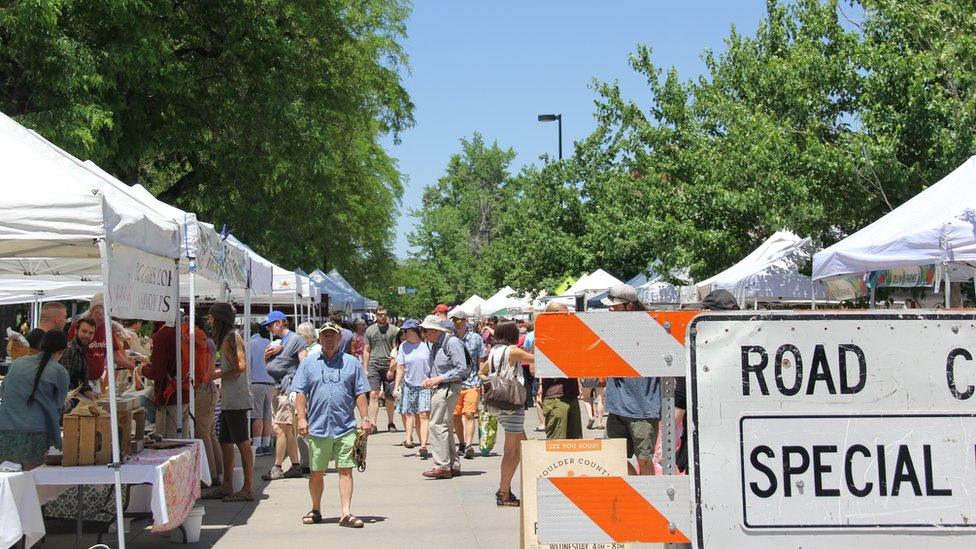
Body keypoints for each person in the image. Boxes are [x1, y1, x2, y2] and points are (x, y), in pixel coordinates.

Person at [293, 322, 371, 527]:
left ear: (340, 339)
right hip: (318, 426)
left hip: (345, 425)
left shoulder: (351, 363)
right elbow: (301, 393)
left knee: (346, 469)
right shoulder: (309, 363)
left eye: (332, 336)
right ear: (319, 339)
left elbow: (360, 393)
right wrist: (302, 418)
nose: (329, 339)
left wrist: (365, 419)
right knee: (317, 471)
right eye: (325, 336)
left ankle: (346, 512)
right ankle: (316, 508)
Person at [602, 284, 660, 475]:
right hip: (616, 406)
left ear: (629, 306)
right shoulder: (608, 329)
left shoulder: (652, 328)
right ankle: (636, 491)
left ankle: (647, 497)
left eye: (615, 305)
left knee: (644, 460)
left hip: (643, 408)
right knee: (612, 457)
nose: (610, 309)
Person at [480, 321, 536, 506]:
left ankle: (508, 490)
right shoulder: (512, 351)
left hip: (498, 404)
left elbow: (481, 372)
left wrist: (494, 381)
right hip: (512, 405)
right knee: (511, 451)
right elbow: (534, 358)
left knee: (523, 448)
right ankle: (503, 493)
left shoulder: (494, 352)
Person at [203, 302, 254, 502]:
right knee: (224, 441)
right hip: (230, 399)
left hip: (236, 400)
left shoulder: (232, 337)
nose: (209, 320)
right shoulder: (228, 337)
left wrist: (216, 374)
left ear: (219, 319)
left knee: (242, 442)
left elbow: (241, 366)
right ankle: (227, 484)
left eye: (211, 317)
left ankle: (248, 488)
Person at [0, 331, 69, 468]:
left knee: (6, 483)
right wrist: (68, 404)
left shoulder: (17, 363)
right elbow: (59, 406)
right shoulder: (59, 371)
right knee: (31, 481)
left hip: (5, 430)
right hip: (35, 435)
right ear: (62, 351)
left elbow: (4, 391)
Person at [419, 315, 468, 479]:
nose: (423, 333)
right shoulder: (435, 344)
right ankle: (452, 464)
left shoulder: (451, 343)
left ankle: (442, 465)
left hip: (446, 388)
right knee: (443, 426)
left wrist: (439, 378)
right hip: (441, 387)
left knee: (437, 425)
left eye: (425, 330)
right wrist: (432, 378)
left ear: (434, 330)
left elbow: (461, 369)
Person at [262, 310, 306, 481]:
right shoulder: (278, 342)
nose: (269, 329)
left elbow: (305, 362)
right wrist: (267, 357)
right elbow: (272, 365)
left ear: (280, 323)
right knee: (286, 430)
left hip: (288, 390)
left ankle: (277, 467)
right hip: (280, 388)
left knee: (280, 428)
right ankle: (295, 465)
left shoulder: (295, 340)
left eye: (270, 325)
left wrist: (299, 388)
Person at [67, 294, 136, 386]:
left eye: (104, 313)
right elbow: (70, 353)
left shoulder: (107, 329)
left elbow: (116, 355)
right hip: (78, 382)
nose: (101, 317)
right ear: (92, 310)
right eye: (99, 313)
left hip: (95, 381)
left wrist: (134, 368)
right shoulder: (79, 326)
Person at [536, 305, 583, 440]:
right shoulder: (543, 337)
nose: (567, 317)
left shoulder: (569, 335)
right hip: (555, 396)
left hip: (571, 394)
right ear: (552, 316)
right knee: (557, 446)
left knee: (576, 445)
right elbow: (535, 369)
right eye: (564, 315)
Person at [144, 318, 190, 438]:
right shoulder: (181, 332)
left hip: (169, 396)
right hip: (184, 392)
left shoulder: (162, 335)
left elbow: (158, 373)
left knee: (169, 445)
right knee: (183, 443)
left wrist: (142, 369)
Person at [450, 310, 486, 459]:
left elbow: (481, 360)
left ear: (466, 321)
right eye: (455, 321)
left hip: (472, 381)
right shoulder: (450, 340)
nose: (457, 323)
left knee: (469, 413)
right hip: (456, 382)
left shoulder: (476, 338)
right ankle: (462, 443)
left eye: (460, 320)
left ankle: (470, 445)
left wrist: (482, 380)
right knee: (455, 416)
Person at [391, 319, 431, 452]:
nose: (404, 333)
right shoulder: (403, 346)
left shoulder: (427, 345)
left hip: (425, 384)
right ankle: (408, 438)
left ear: (416, 331)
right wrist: (396, 386)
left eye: (407, 331)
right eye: (404, 331)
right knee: (409, 413)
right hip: (409, 384)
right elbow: (400, 367)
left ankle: (424, 445)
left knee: (423, 415)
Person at [362, 307, 399, 433]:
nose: (382, 317)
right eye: (380, 315)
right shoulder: (370, 330)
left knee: (389, 396)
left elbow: (396, 350)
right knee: (373, 394)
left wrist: (392, 367)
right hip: (374, 364)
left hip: (389, 364)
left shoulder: (393, 330)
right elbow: (366, 350)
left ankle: (391, 422)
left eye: (384, 314)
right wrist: (365, 368)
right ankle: (373, 423)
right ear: (376, 316)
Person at [249, 322, 275, 456]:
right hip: (270, 382)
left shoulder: (250, 344)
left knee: (257, 415)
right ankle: (266, 444)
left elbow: (248, 366)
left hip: (256, 383)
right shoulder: (269, 343)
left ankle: (257, 445)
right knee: (267, 415)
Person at [61, 316, 96, 398]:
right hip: (67, 401)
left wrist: (95, 400)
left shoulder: (83, 351)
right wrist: (86, 400)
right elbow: (66, 385)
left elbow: (84, 386)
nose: (87, 335)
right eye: (84, 331)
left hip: (76, 398)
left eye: (91, 333)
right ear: (76, 331)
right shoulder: (69, 350)